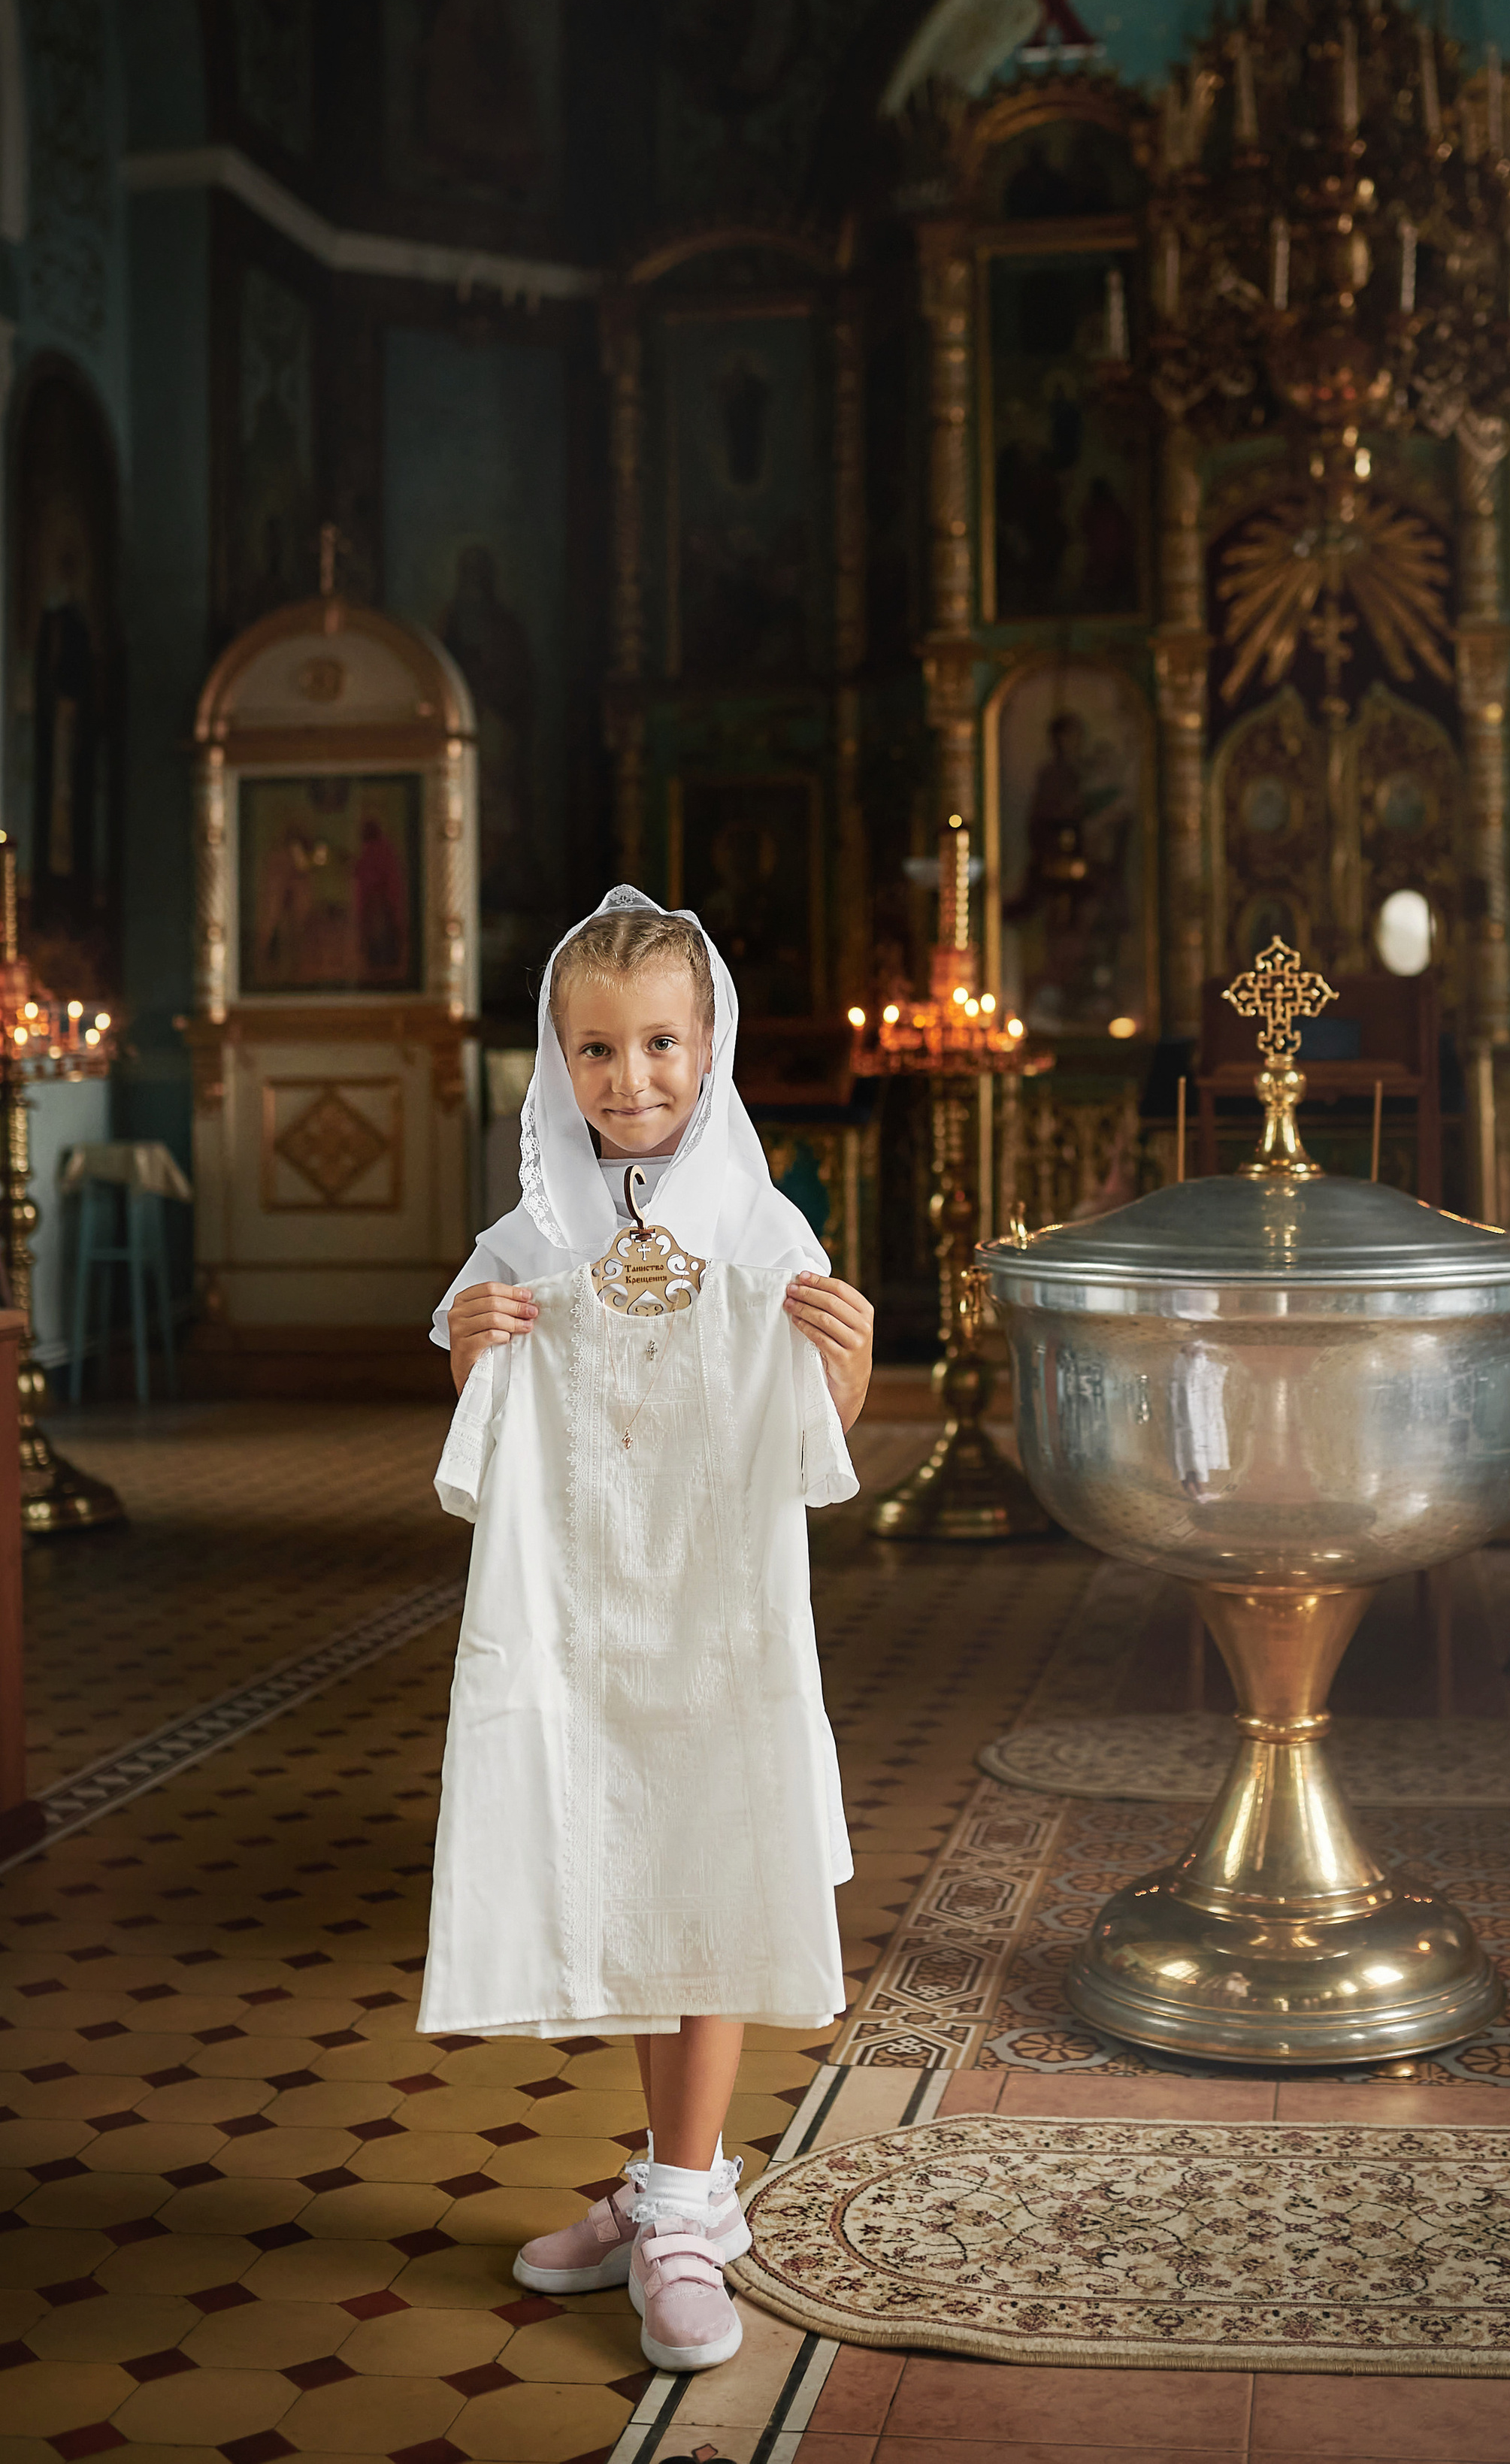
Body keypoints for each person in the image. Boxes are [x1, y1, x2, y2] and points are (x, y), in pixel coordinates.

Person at [425, 888, 874, 2374]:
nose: (632, 1081)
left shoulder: (757, 1227)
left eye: (661, 1043)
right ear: (557, 1062)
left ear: (710, 1040)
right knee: (622, 1877)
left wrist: (849, 1366)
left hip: (713, 1619)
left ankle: (684, 2211)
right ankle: (670, 2187)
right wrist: (475, 1344)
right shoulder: (527, 1231)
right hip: (580, 1626)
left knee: (703, 1878)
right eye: (597, 1052)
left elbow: (813, 1443)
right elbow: (487, 1431)